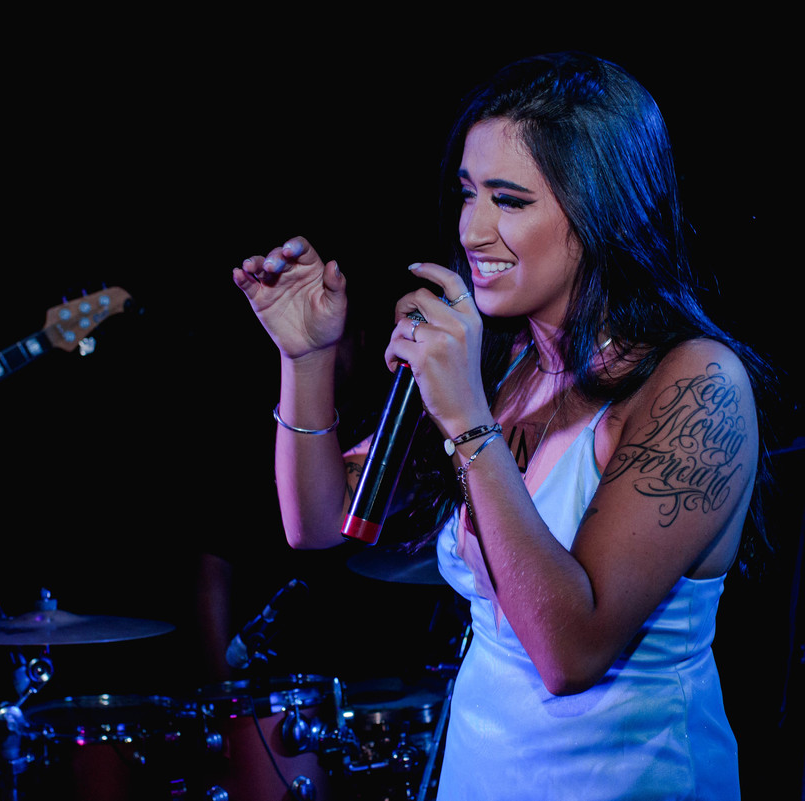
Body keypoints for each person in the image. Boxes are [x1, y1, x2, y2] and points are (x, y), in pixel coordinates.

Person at [233, 51, 771, 801]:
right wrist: (306, 360)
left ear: (605, 212)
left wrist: (465, 417)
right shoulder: (502, 364)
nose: (472, 229)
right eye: (468, 193)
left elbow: (569, 650)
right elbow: (321, 523)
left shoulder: (697, 384)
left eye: (510, 201)